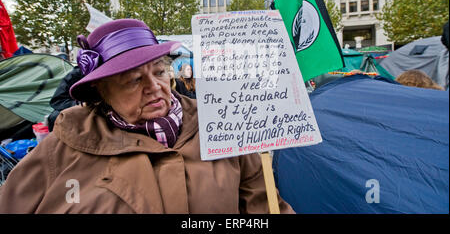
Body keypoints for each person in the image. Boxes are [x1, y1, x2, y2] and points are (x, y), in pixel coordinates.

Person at [0, 19, 295, 214]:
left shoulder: (221, 124)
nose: (155, 88)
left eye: (158, 72)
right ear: (102, 92)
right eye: (133, 80)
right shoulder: (64, 145)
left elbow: (265, 206)